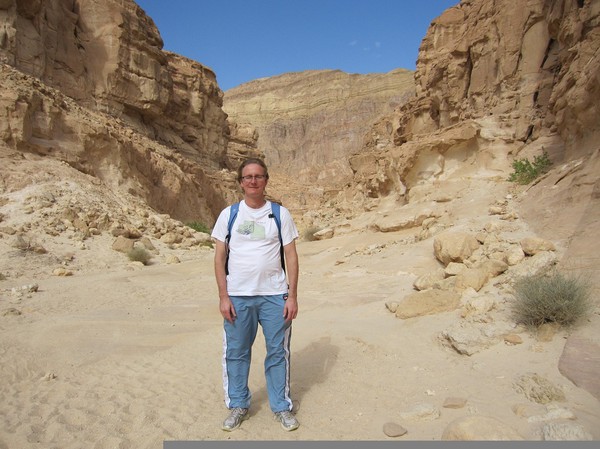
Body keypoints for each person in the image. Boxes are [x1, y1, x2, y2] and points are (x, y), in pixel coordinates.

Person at [211, 157, 300, 432]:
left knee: (278, 352)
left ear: (266, 180)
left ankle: (281, 407)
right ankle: (238, 405)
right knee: (237, 353)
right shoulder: (229, 215)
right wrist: (223, 296)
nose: (253, 181)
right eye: (248, 177)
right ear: (240, 182)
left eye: (258, 176)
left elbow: (291, 255)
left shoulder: (279, 214)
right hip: (238, 296)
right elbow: (219, 257)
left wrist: (293, 295)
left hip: (275, 296)